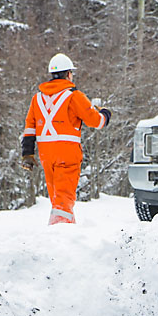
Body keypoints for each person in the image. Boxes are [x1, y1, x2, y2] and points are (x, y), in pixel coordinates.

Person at [21, 53, 111, 225]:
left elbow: (29, 127)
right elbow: (96, 122)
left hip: (46, 155)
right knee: (64, 197)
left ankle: (65, 229)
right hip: (67, 154)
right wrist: (105, 113)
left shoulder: (37, 98)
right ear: (68, 74)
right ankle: (60, 233)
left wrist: (27, 154)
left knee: (56, 196)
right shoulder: (74, 95)